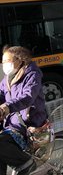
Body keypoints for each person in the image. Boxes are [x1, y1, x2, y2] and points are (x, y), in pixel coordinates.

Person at [0, 46, 47, 175]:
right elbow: (1, 95)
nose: (4, 65)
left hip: (29, 124)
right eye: (3, 62)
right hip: (13, 124)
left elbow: (27, 97)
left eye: (7, 61)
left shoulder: (32, 74)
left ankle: (26, 164)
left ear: (20, 60)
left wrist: (6, 107)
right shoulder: (7, 79)